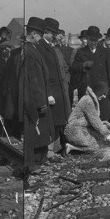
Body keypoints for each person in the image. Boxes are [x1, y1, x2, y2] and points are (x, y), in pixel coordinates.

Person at [22, 17, 55, 178]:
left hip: (39, 96)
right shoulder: (29, 51)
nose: (41, 38)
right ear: (34, 34)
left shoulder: (32, 48)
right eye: (40, 34)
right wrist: (40, 101)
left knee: (39, 130)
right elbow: (33, 80)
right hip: (35, 99)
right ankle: (32, 163)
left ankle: (39, 159)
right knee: (34, 131)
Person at [35, 17, 70, 156]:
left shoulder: (50, 46)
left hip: (58, 90)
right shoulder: (41, 46)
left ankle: (53, 149)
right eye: (52, 32)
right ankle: (48, 151)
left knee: (58, 121)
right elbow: (42, 72)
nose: (54, 35)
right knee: (51, 122)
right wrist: (48, 93)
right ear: (46, 32)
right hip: (51, 92)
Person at [71, 26, 110, 121]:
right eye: (91, 40)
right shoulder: (81, 52)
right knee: (88, 115)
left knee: (103, 114)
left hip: (101, 89)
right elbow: (74, 67)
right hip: (87, 88)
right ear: (87, 39)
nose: (93, 43)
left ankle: (103, 134)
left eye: (95, 40)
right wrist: (83, 65)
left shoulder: (105, 52)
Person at [63, 81, 110, 154]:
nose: (104, 96)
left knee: (101, 143)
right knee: (97, 146)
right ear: (98, 91)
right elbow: (95, 120)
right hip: (75, 129)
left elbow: (93, 120)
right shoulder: (88, 100)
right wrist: (107, 135)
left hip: (81, 128)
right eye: (104, 93)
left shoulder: (90, 99)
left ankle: (73, 147)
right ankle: (72, 147)